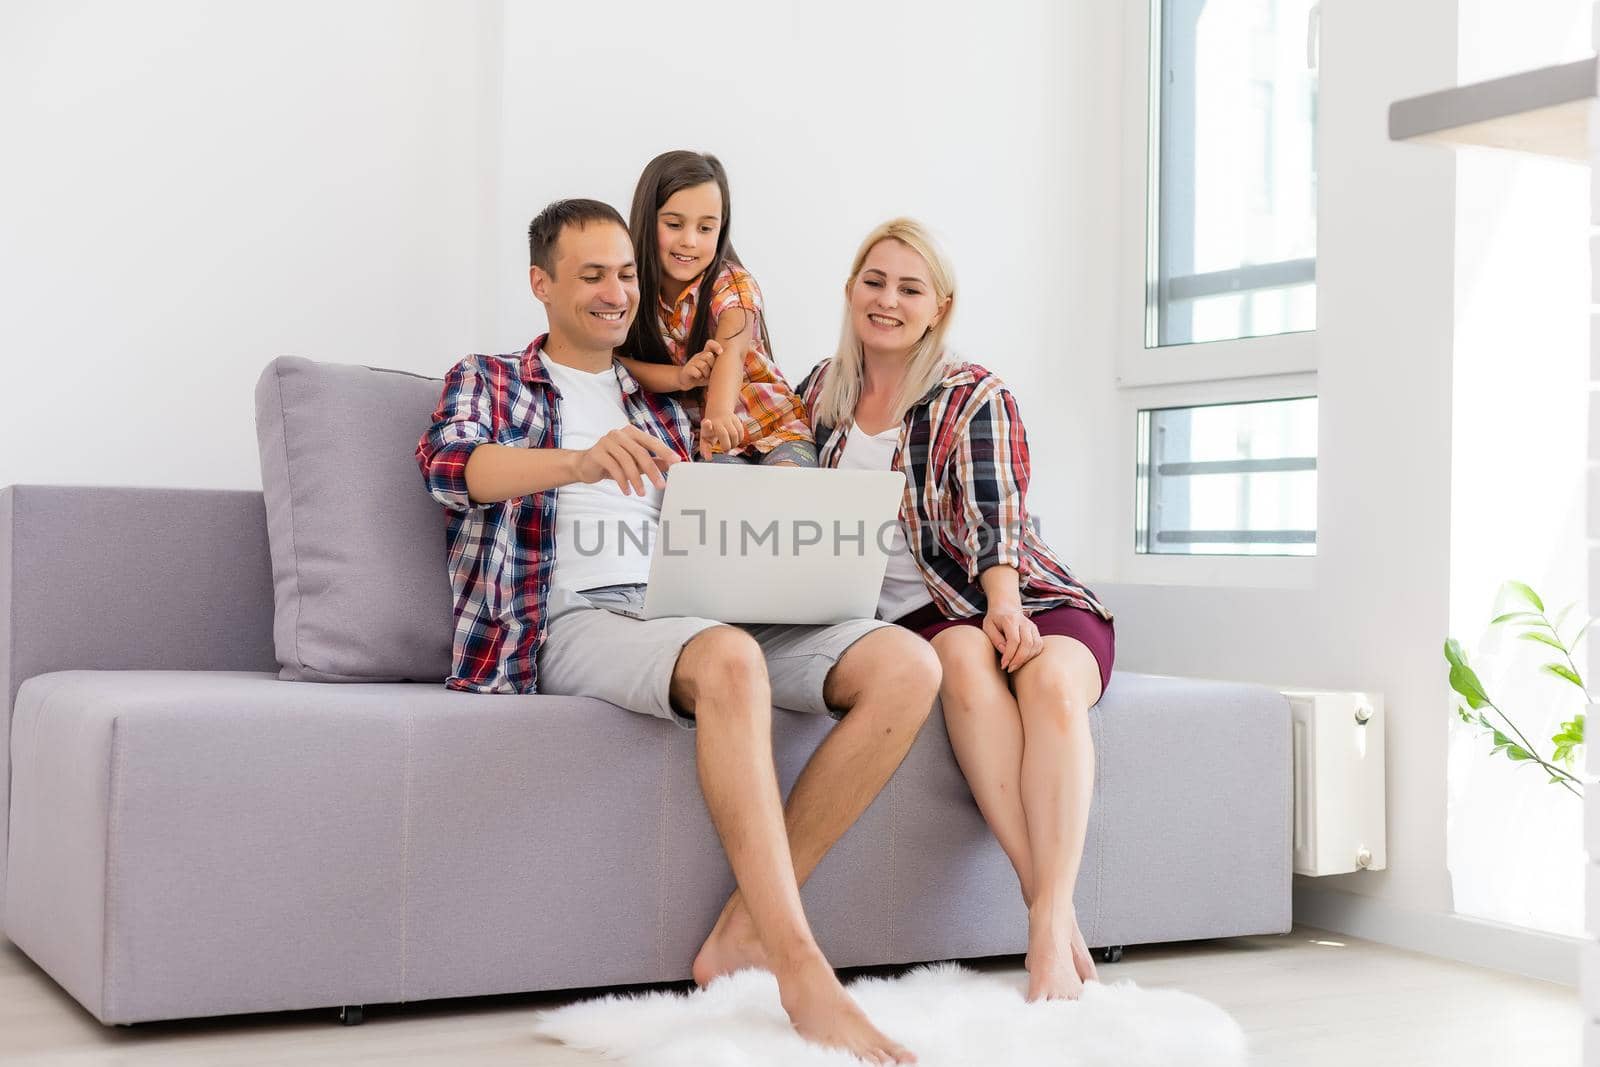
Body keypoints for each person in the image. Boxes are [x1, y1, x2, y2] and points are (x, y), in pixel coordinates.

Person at [415, 198, 936, 1065]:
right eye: (591, 275)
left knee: (906, 664)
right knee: (729, 659)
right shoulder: (492, 376)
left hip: (696, 603)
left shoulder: (665, 394)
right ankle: (800, 966)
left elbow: (729, 504)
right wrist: (579, 462)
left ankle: (741, 930)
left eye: (625, 273)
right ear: (541, 284)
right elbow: (451, 467)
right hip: (578, 617)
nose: (617, 292)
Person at [798, 218, 1116, 1003]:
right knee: (961, 659)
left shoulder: (972, 393)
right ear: (850, 290)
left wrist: (1005, 603)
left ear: (938, 306)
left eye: (910, 288)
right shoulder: (818, 396)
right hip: (926, 622)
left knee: (1046, 685)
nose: (888, 300)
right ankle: (1049, 908)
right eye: (875, 281)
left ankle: (1045, 925)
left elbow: (998, 512)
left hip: (1026, 593)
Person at [616, 150, 816, 466]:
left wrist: (720, 414)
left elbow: (731, 351)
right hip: (711, 445)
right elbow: (620, 365)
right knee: (725, 497)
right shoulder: (630, 291)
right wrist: (681, 376)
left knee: (787, 485)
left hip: (776, 427)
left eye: (706, 228)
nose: (690, 241)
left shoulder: (731, 282)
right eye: (674, 224)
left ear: (721, 229)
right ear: (646, 218)